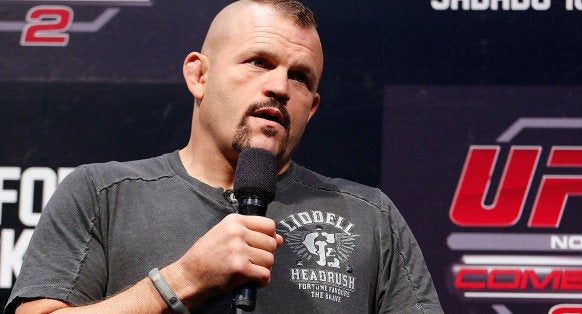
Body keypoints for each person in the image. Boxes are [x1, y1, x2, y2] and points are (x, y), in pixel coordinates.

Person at [6, 0, 443, 313]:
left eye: (300, 77)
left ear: (311, 106)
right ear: (199, 75)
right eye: (258, 62)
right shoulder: (102, 194)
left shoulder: (371, 218)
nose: (278, 87)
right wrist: (183, 280)